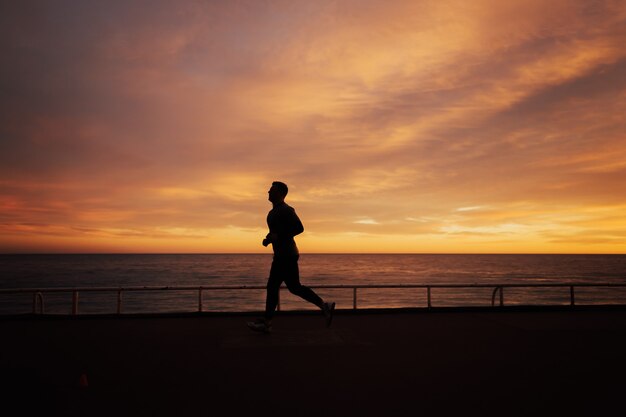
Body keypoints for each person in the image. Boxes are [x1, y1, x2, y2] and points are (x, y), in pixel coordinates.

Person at [247, 181, 335, 333]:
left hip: (287, 256)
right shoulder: (272, 212)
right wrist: (268, 239)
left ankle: (267, 323)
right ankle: (323, 305)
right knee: (294, 287)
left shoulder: (287, 210)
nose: (268, 192)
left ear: (280, 193)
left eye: (271, 190)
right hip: (284, 255)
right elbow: (277, 232)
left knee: (274, 287)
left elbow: (299, 228)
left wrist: (278, 236)